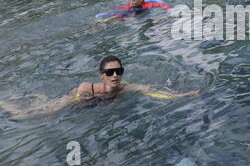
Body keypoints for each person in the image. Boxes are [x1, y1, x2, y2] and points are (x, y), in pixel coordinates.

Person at [0, 55, 202, 119]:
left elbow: (157, 93)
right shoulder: (88, 88)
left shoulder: (127, 88)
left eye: (119, 71)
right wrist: (79, 101)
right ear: (101, 75)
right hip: (80, 102)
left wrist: (187, 94)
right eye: (110, 72)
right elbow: (69, 104)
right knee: (31, 114)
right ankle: (7, 104)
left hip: (100, 106)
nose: (115, 75)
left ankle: (38, 97)